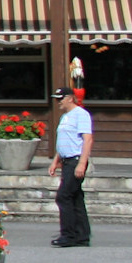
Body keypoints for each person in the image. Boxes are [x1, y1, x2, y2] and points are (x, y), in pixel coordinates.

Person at [49, 87, 92, 247]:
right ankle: (82, 235)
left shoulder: (81, 114)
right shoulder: (65, 117)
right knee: (75, 197)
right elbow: (64, 141)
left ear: (70, 98)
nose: (58, 102)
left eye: (60, 99)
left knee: (63, 196)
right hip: (66, 160)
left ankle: (68, 234)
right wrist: (56, 160)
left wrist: (82, 162)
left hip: (76, 159)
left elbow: (87, 139)